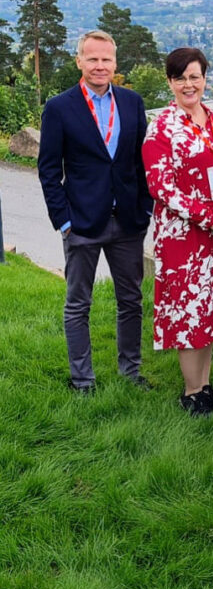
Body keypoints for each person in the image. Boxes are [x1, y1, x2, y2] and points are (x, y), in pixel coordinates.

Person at [38, 30, 153, 393]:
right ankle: (82, 380)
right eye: (92, 59)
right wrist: (65, 222)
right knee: (78, 304)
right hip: (82, 224)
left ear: (115, 63)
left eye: (106, 59)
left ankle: (131, 373)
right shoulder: (59, 107)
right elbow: (48, 169)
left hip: (129, 222)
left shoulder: (133, 103)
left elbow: (142, 161)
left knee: (131, 301)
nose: (100, 66)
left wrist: (145, 209)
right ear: (79, 61)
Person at [142, 47, 213, 416]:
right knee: (191, 314)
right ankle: (192, 394)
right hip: (185, 239)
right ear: (170, 82)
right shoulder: (161, 127)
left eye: (195, 76)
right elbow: (162, 188)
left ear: (205, 78)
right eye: (180, 78)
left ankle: (205, 387)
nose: (188, 84)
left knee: (210, 313)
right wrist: (212, 219)